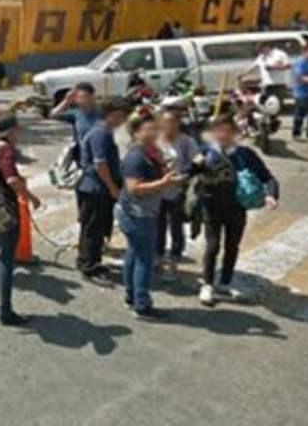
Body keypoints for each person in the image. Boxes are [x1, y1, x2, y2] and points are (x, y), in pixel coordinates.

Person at [189, 115, 279, 307]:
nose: (223, 135)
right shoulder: (206, 152)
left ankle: (225, 282)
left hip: (237, 208)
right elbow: (188, 173)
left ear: (235, 133)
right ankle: (207, 284)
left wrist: (271, 195)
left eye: (227, 131)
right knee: (212, 245)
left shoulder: (245, 154)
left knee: (232, 245)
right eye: (219, 131)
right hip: (212, 206)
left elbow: (268, 177)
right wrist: (194, 165)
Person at [0, 115, 42, 326]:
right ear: (12, 130)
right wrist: (31, 197)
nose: (20, 132)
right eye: (18, 129)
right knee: (6, 259)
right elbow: (11, 179)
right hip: (5, 209)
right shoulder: (5, 150)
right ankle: (6, 311)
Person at [116, 114, 183, 318]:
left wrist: (163, 167)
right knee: (144, 260)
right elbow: (134, 188)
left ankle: (131, 296)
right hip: (138, 215)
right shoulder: (135, 157)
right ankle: (142, 305)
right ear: (137, 132)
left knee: (133, 254)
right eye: (149, 129)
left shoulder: (148, 152)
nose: (154, 133)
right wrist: (164, 183)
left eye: (156, 129)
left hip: (139, 213)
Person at [76, 101, 128, 278]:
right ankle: (88, 265)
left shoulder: (103, 131)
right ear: (111, 115)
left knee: (96, 227)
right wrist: (112, 187)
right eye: (120, 116)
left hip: (96, 187)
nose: (122, 121)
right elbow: (100, 164)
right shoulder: (101, 133)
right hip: (95, 188)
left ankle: (91, 260)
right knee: (93, 228)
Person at [156, 110, 198, 283]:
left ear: (178, 123)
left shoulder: (187, 142)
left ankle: (174, 260)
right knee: (158, 226)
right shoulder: (156, 139)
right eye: (165, 122)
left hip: (177, 192)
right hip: (157, 191)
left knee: (176, 228)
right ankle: (157, 256)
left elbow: (197, 163)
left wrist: (184, 176)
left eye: (172, 122)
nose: (168, 126)